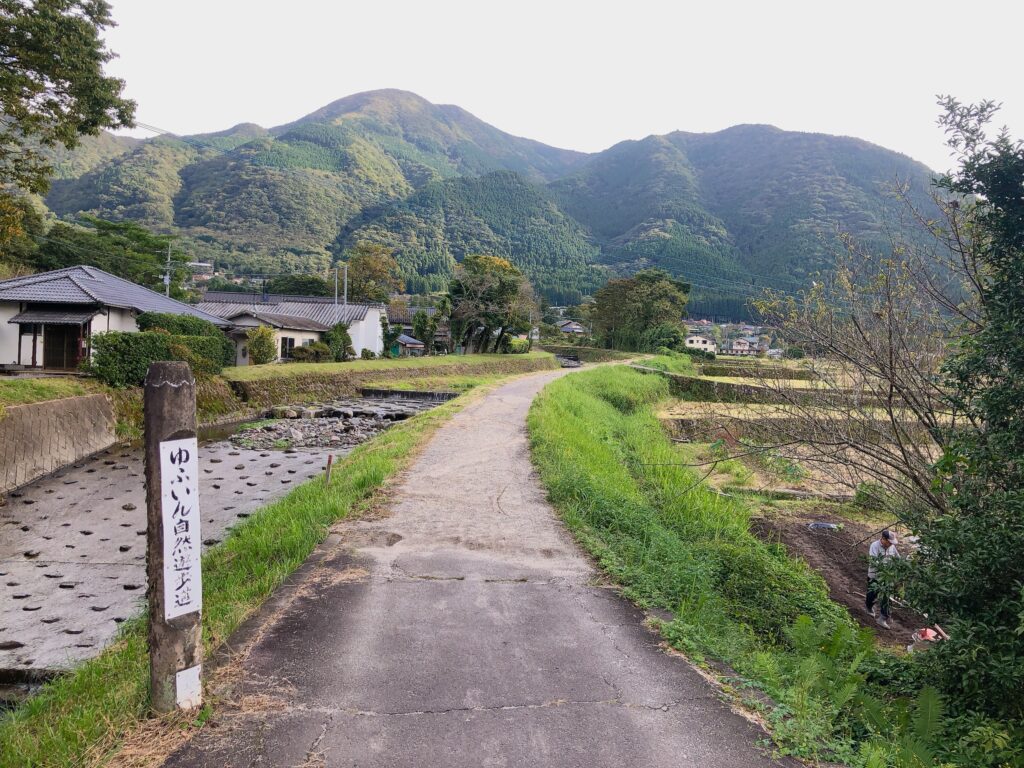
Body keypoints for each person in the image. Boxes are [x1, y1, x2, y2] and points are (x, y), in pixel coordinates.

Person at [866, 530, 900, 629]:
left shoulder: (892, 547)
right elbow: (874, 561)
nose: (891, 544)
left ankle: (883, 618)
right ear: (883, 539)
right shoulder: (874, 546)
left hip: (887, 578)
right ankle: (869, 607)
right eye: (889, 542)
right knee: (872, 594)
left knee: (887, 597)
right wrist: (884, 570)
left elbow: (897, 558)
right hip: (874, 576)